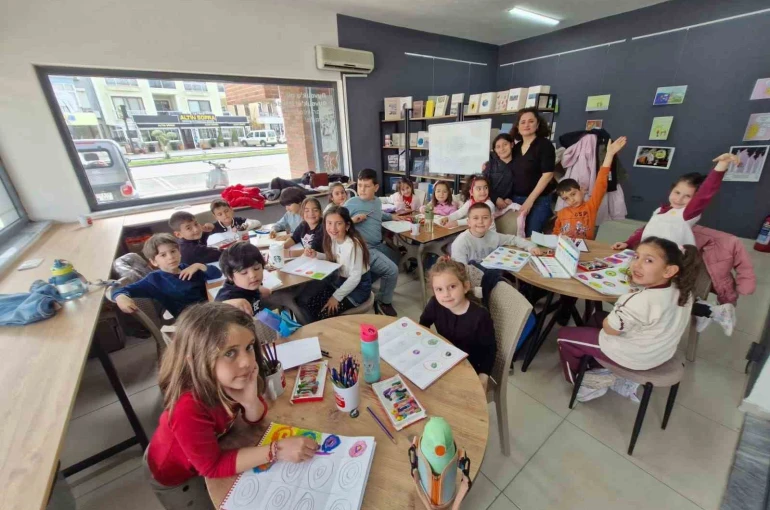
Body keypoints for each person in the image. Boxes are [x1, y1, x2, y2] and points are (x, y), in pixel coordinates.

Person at [143, 303, 318, 510]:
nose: (246, 362)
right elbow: (212, 467)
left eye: (249, 347)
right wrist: (277, 450)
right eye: (229, 353)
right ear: (196, 360)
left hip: (208, 448)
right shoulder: (187, 407)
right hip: (174, 474)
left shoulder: (230, 377)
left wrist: (250, 400)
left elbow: (255, 418)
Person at [556, 237, 700, 402]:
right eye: (636, 256)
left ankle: (583, 383)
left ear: (669, 271)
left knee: (563, 335)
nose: (636, 265)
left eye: (648, 260)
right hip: (660, 350)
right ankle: (598, 367)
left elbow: (610, 328)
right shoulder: (684, 290)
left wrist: (624, 301)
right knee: (596, 317)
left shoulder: (638, 300)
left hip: (634, 356)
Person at [612, 153, 740, 335]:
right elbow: (646, 229)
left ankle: (714, 311)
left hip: (670, 264)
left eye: (687, 196)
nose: (679, 199)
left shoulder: (687, 214)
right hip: (652, 261)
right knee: (665, 296)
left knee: (669, 297)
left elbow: (705, 194)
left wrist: (721, 167)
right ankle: (703, 312)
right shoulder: (661, 211)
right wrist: (627, 243)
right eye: (677, 192)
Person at [420, 259, 496, 390]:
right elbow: (423, 325)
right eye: (439, 289)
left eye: (452, 287)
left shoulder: (480, 316)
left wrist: (484, 376)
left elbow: (489, 349)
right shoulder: (435, 304)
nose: (446, 294)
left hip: (469, 366)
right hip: (442, 358)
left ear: (465, 286)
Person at [113, 234, 222, 318]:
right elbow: (121, 290)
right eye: (163, 255)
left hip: (209, 308)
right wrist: (120, 297)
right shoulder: (154, 280)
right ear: (154, 262)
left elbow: (216, 274)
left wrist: (199, 266)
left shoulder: (185, 267)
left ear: (179, 252)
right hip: (192, 319)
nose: (171, 257)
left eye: (173, 251)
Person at [344, 168, 399, 316]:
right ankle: (384, 302)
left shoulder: (376, 202)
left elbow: (377, 213)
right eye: (360, 185)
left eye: (367, 186)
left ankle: (369, 283)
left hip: (377, 245)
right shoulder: (351, 203)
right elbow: (335, 223)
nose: (362, 189)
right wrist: (352, 220)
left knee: (396, 257)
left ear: (376, 187)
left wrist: (392, 217)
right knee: (392, 270)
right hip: (364, 248)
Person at [301, 206, 372, 320]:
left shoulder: (353, 245)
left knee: (322, 315)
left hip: (358, 287)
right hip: (341, 281)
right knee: (311, 305)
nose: (332, 228)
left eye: (338, 223)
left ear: (347, 225)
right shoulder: (334, 239)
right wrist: (316, 255)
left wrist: (336, 297)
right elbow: (335, 258)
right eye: (329, 223)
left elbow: (355, 277)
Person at [554, 137, 627, 240]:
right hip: (565, 249)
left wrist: (609, 155)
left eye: (573, 194)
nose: (571, 200)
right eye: (566, 198)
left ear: (582, 190)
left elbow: (601, 183)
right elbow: (556, 233)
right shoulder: (562, 213)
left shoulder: (590, 207)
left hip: (585, 248)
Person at [509, 108, 556, 236]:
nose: (526, 125)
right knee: (515, 235)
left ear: (537, 124)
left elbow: (548, 175)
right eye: (523, 122)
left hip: (538, 200)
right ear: (518, 126)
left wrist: (530, 200)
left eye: (531, 121)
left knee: (531, 236)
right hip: (516, 199)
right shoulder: (516, 147)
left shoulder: (545, 145)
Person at [451, 202, 541, 265]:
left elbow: (513, 239)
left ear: (490, 221)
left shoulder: (493, 236)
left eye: (485, 218)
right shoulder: (461, 242)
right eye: (475, 218)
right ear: (469, 222)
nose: (481, 221)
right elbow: (460, 271)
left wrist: (531, 246)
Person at [215, 241, 272, 316]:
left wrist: (259, 288)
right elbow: (213, 312)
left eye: (257, 268)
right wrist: (226, 305)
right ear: (230, 276)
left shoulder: (250, 284)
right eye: (244, 273)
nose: (253, 275)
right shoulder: (228, 297)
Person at [484, 133, 516, 210]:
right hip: (489, 201)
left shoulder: (519, 164)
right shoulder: (489, 165)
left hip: (510, 202)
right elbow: (484, 184)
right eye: (498, 147)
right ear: (495, 150)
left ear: (512, 144)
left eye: (505, 144)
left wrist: (510, 199)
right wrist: (495, 199)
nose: (502, 149)